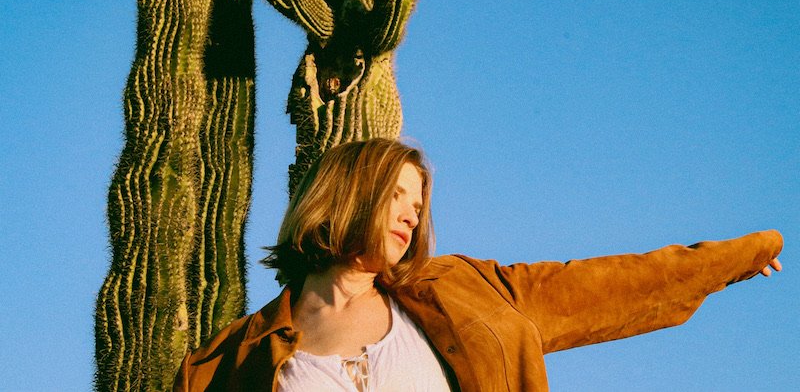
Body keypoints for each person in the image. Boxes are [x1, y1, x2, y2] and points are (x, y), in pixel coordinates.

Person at [173, 138, 783, 391]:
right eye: (396, 196)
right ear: (346, 193)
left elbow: (609, 285)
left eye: (419, 204)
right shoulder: (229, 361)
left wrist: (734, 259)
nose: (412, 216)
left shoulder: (457, 292)